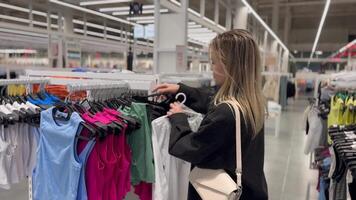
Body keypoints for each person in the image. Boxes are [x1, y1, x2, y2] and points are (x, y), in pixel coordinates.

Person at [153, 29, 268, 200]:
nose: (211, 69)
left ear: (229, 66)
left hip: (224, 193)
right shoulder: (251, 102)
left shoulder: (226, 113)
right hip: (251, 188)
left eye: (213, 62)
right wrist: (181, 89)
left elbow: (191, 149)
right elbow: (213, 102)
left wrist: (179, 119)